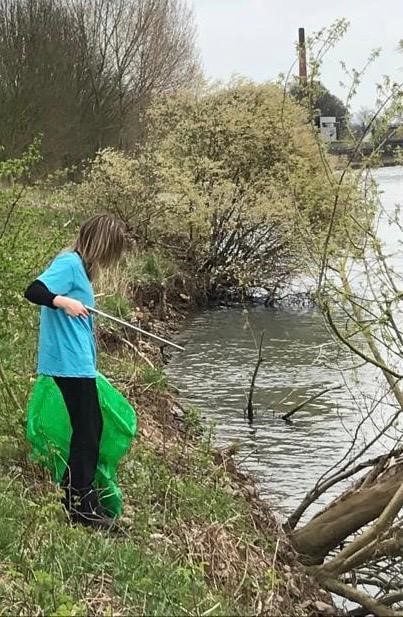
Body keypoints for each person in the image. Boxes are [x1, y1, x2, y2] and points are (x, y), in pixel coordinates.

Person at [24, 214, 126, 529]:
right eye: (109, 251)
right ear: (100, 243)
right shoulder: (69, 263)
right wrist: (63, 302)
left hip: (78, 362)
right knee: (88, 431)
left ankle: (79, 499)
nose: (108, 260)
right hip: (68, 363)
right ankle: (81, 508)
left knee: (90, 428)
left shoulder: (80, 268)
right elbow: (34, 290)